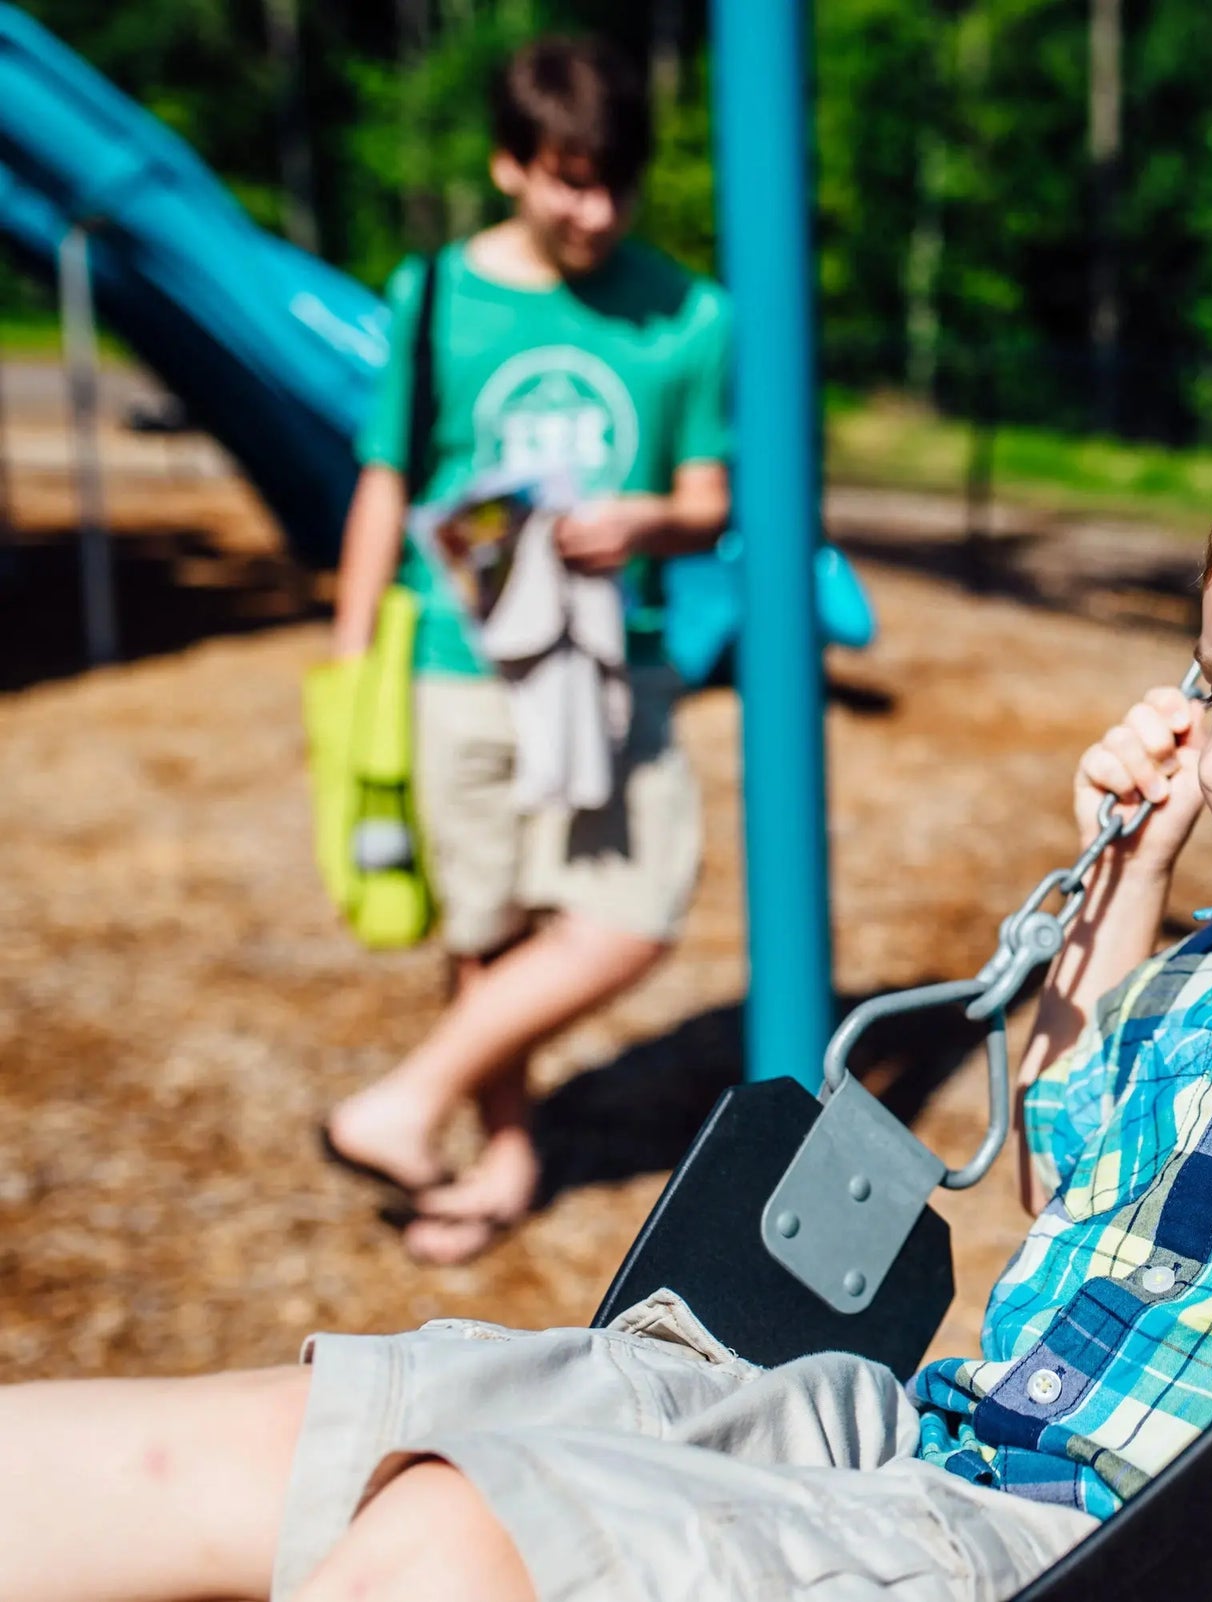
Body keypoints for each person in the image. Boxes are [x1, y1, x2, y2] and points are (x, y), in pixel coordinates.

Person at [0, 388, 1212, 1602]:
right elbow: (1062, 1202)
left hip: (1099, 1570)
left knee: (448, 1540)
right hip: (910, 1444)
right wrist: (1118, 890)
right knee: (295, 1436)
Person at [318, 36, 733, 1264]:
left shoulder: (691, 316)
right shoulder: (435, 294)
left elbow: (709, 498)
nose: (594, 211)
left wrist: (645, 519)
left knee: (634, 910)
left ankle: (401, 1101)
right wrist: (353, 667)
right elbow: (388, 482)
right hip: (456, 661)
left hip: (615, 665)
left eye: (614, 182)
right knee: (486, 925)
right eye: (565, 179)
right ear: (509, 165)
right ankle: (501, 1162)